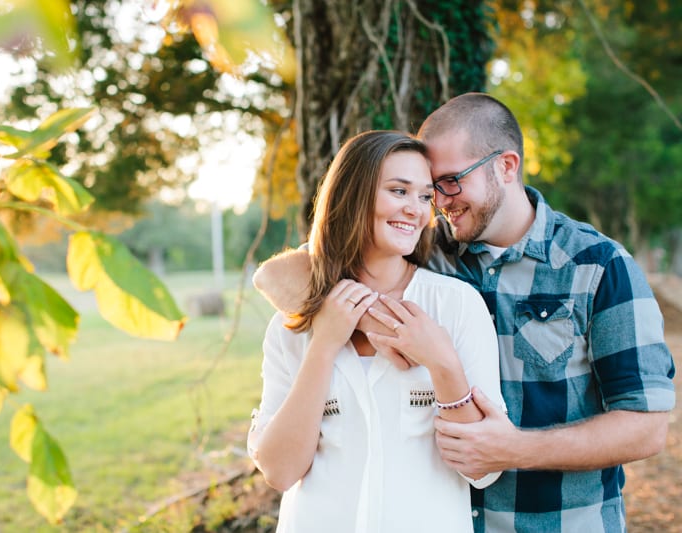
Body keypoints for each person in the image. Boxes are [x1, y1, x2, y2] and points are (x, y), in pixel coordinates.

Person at [252, 93, 676, 532]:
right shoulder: (427, 247)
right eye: (427, 187)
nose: (437, 201)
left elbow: (645, 427)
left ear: (506, 166)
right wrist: (365, 319)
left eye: (450, 181)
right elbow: (280, 276)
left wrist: (511, 448)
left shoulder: (597, 265)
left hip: (556, 521)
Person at [247, 130, 505, 533]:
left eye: (424, 197)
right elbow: (280, 472)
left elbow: (484, 470)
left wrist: (442, 363)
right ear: (352, 195)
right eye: (398, 191)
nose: (416, 210)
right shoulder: (292, 323)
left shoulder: (455, 305)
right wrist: (325, 345)